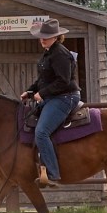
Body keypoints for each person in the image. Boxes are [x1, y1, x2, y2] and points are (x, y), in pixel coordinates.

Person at [21, 18, 81, 188]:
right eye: (41, 36)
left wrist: (42, 93)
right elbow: (43, 79)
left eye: (46, 36)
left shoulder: (60, 54)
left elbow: (63, 81)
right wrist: (30, 91)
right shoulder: (49, 52)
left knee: (41, 132)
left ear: (55, 37)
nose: (42, 39)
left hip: (65, 97)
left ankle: (53, 173)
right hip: (55, 97)